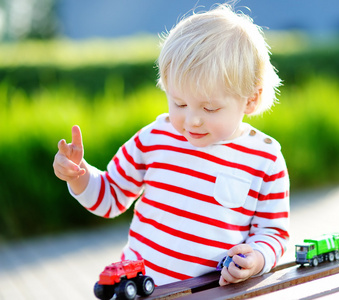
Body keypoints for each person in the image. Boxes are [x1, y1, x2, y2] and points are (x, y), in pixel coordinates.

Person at [53, 3, 289, 287]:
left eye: (210, 108)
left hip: (213, 292)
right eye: (179, 103)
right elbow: (110, 197)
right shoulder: (155, 138)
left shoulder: (265, 158)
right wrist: (79, 175)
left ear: (250, 99)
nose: (192, 121)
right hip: (142, 287)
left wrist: (257, 259)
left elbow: (273, 232)